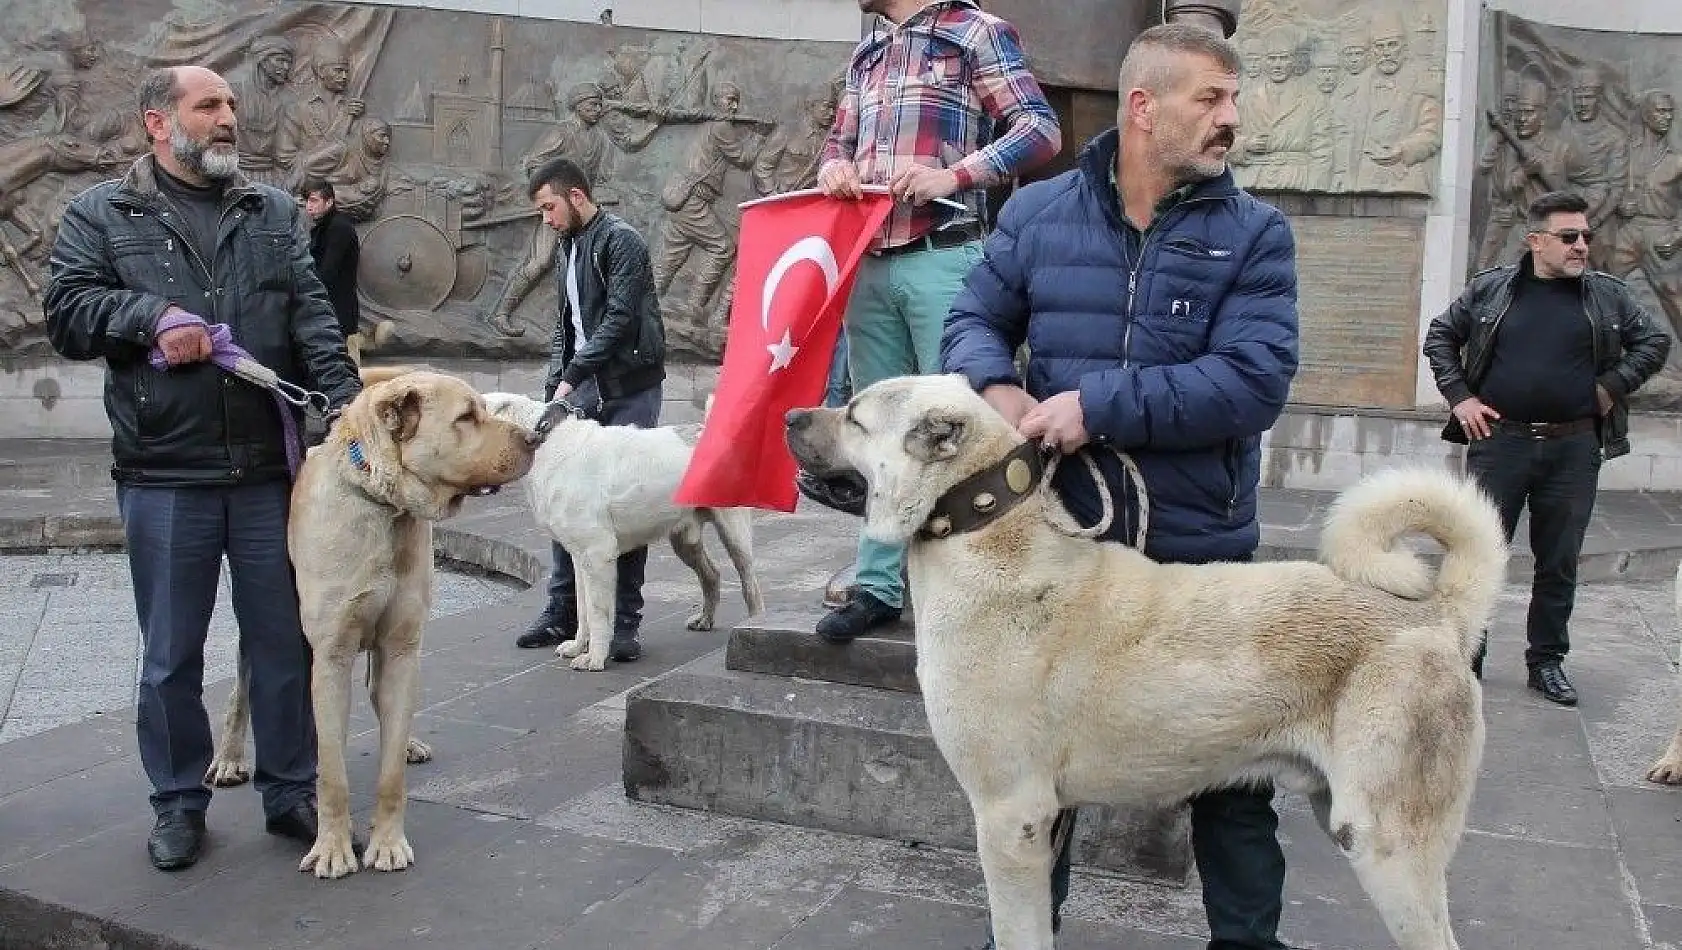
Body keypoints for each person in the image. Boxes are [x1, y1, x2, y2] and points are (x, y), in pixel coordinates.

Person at [941, 23, 1300, 950]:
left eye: (1233, 98)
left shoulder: (1257, 234)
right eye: (1209, 99)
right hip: (1064, 538)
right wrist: (997, 384)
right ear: (1144, 107)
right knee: (1037, 766)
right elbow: (972, 317)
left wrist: (1096, 403)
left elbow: (1253, 383)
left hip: (1199, 547)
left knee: (1236, 777)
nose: (1231, 118)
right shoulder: (1037, 212)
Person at [41, 65, 361, 871]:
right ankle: (180, 802)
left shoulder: (274, 211)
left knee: (283, 643)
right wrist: (148, 314)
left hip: (266, 472)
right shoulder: (101, 212)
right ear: (158, 122)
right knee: (171, 655)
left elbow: (313, 315)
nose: (228, 119)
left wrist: (351, 414)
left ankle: (290, 792)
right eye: (209, 106)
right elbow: (68, 310)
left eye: (231, 107)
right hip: (165, 472)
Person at [813, 0, 1061, 642]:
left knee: (961, 428)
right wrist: (833, 169)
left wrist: (952, 173)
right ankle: (877, 585)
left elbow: (1039, 129)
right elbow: (835, 145)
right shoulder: (867, 52)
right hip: (869, 261)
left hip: (945, 258)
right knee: (876, 432)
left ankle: (970, 578)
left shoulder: (975, 32)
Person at [1423, 190, 1670, 705]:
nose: (1582, 245)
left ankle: (1547, 662)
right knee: (1478, 555)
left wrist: (1609, 388)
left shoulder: (1607, 295)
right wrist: (1461, 399)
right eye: (1569, 237)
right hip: (1499, 442)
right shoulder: (1492, 291)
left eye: (1586, 236)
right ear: (1536, 241)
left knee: (1558, 561)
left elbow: (1654, 343)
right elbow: (1441, 336)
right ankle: (1466, 659)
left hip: (1573, 449)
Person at [515, 156, 667, 661]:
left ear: (575, 196)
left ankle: (624, 622)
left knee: (629, 501)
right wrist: (557, 381)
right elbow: (567, 321)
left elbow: (621, 318)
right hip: (579, 389)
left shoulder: (621, 240)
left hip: (629, 384)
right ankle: (565, 611)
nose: (546, 218)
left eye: (548, 207)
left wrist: (574, 374)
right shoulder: (567, 245)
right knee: (565, 498)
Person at [300, 179, 363, 365]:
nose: (308, 206)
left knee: (348, 369)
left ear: (329, 202)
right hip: (329, 310)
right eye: (307, 201)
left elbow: (327, 272)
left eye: (313, 201)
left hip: (338, 312)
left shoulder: (338, 228)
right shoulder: (324, 227)